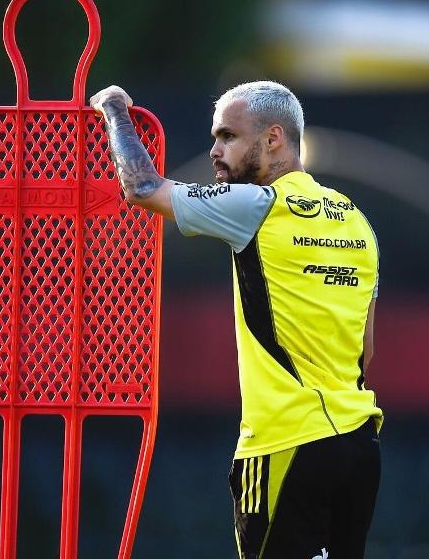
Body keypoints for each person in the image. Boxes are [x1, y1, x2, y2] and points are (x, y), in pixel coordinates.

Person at [90, 81, 383, 559]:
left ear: (273, 139)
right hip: (359, 447)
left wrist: (115, 109)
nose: (215, 151)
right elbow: (365, 349)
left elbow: (142, 188)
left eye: (228, 136)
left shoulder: (255, 205)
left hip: (286, 445)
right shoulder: (357, 222)